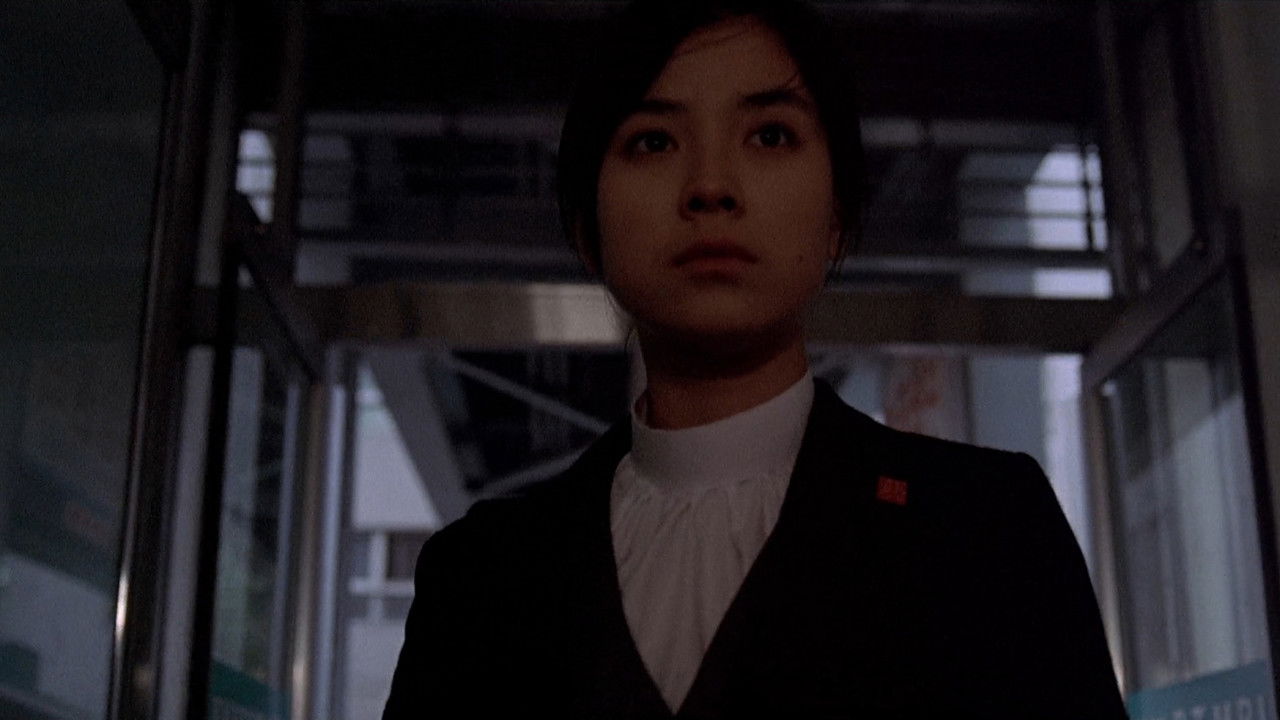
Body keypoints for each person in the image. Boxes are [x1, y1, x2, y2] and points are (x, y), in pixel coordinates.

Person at [384, 0, 1129, 717]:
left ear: (838, 218)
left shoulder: (987, 528)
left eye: (770, 135)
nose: (711, 187)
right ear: (588, 231)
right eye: (653, 141)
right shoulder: (480, 574)